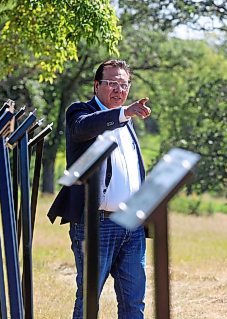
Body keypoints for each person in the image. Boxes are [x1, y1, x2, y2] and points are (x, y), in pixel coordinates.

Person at [48, 59, 151, 319]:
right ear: (96, 86)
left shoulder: (127, 121)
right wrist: (123, 113)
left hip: (132, 225)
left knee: (134, 302)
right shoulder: (80, 112)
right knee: (89, 299)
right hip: (97, 224)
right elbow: (83, 128)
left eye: (124, 84)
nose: (119, 90)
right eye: (111, 83)